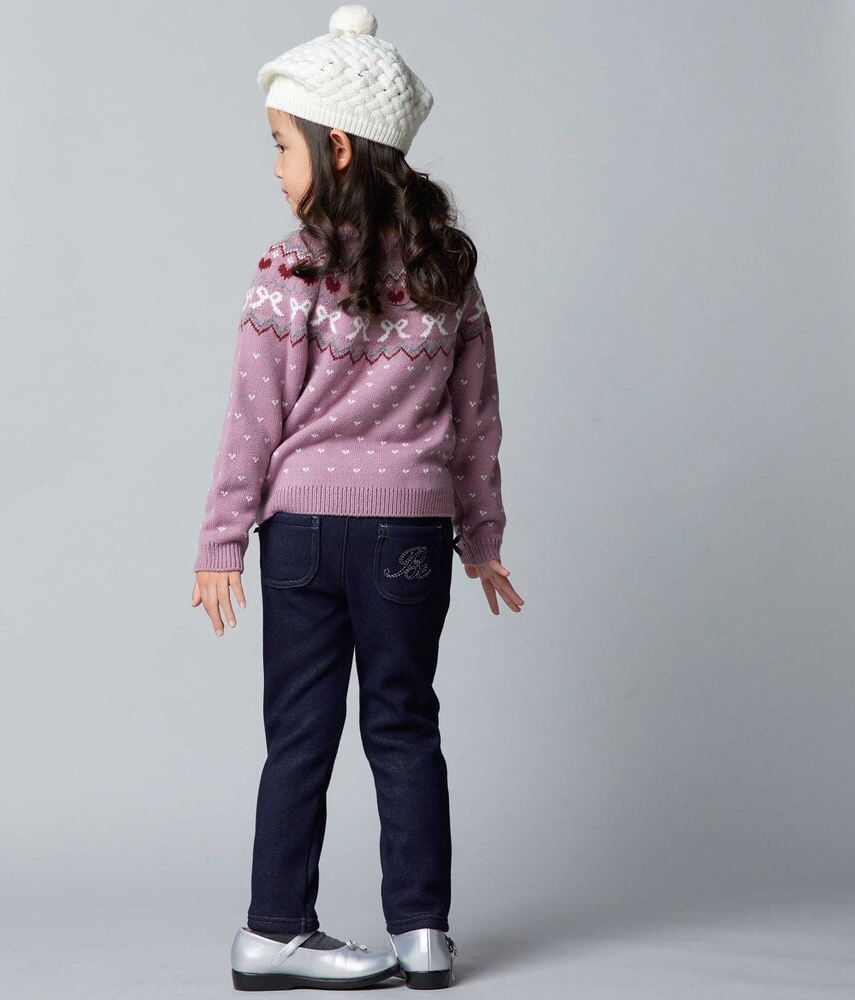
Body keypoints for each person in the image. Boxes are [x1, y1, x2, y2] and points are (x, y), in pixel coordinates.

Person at [191, 4, 524, 990]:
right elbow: (477, 420)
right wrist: (482, 538)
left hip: (298, 534)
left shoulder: (287, 267)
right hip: (409, 536)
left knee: (298, 733)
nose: (275, 167)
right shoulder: (447, 273)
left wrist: (220, 541)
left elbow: (251, 420)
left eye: (282, 145)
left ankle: (272, 930)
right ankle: (422, 933)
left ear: (337, 146)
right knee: (404, 724)